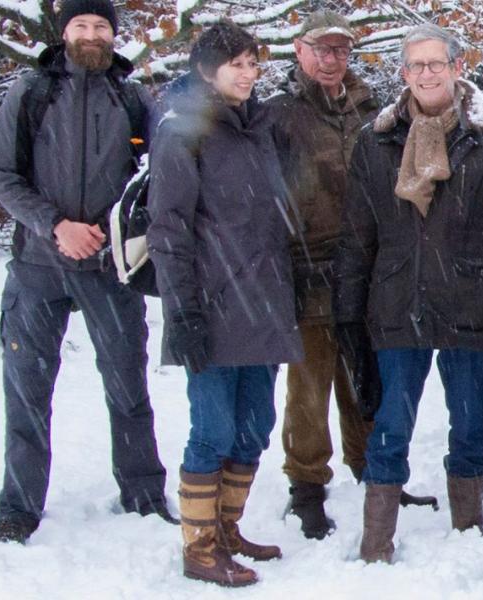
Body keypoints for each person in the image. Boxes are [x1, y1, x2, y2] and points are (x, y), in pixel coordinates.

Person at [337, 24, 483, 564]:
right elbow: (358, 235)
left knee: (473, 419)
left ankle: (467, 528)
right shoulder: (375, 139)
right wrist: (348, 312)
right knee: (389, 424)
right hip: (397, 299)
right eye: (417, 65)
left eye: (437, 63)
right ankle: (376, 542)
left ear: (458, 68)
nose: (427, 73)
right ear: (403, 73)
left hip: (475, 299)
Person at [0, 0, 171, 544]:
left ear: (114, 34)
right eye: (81, 25)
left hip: (110, 270)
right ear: (64, 31)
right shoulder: (31, 93)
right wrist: (55, 225)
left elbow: (161, 172)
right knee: (27, 391)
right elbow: (3, 177)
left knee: (128, 386)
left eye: (101, 26)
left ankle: (143, 495)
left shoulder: (132, 98)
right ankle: (18, 509)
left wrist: (121, 229)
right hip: (38, 267)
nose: (91, 34)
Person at [149, 21, 301, 587]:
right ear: (206, 69)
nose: (247, 72)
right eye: (235, 63)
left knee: (256, 426)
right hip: (211, 307)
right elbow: (168, 230)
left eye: (253, 63)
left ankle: (227, 528)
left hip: (264, 303)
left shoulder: (260, 127)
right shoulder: (181, 131)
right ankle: (200, 547)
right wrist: (183, 311)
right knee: (212, 429)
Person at [265, 9, 384, 539]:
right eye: (321, 49)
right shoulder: (277, 114)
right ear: (299, 50)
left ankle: (372, 469)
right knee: (309, 387)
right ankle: (307, 486)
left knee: (364, 379)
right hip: (304, 266)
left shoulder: (369, 107)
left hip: (363, 265)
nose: (332, 59)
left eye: (340, 49)